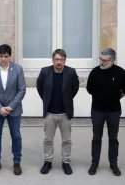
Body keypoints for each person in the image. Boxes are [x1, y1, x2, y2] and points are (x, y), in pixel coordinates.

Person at [36, 49, 79, 175]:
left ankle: (66, 162)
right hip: (50, 113)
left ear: (65, 60)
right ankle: (48, 161)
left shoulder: (71, 72)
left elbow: (74, 89)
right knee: (48, 140)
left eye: (61, 59)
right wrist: (46, 100)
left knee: (67, 140)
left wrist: (67, 100)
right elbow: (40, 88)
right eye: (56, 59)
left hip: (65, 113)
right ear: (52, 60)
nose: (58, 62)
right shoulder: (45, 71)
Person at [0, 44, 26, 175]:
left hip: (14, 109)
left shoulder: (18, 69)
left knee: (16, 135)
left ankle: (17, 162)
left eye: (6, 56)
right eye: (1, 56)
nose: (3, 59)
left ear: (10, 56)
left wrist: (10, 107)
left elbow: (22, 90)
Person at [86, 48, 125, 176]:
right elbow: (89, 89)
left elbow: (124, 90)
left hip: (114, 111)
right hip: (97, 111)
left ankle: (113, 164)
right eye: (100, 59)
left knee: (113, 138)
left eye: (104, 60)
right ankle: (94, 163)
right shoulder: (95, 72)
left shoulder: (120, 72)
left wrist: (114, 97)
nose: (101, 62)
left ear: (112, 60)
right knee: (96, 138)